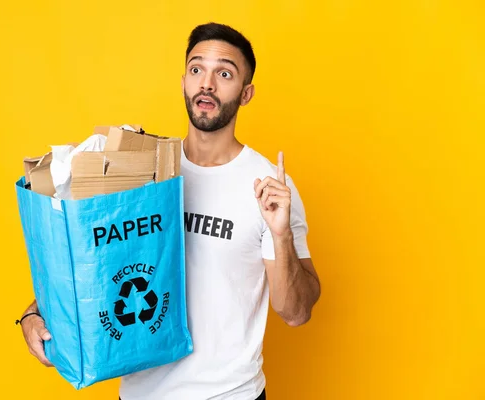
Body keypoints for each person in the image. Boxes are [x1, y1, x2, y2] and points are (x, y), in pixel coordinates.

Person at [19, 22, 321, 400]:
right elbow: (92, 260)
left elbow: (295, 312)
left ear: (246, 94)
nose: (207, 83)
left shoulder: (270, 187)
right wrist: (34, 312)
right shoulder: (144, 171)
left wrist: (281, 234)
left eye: (224, 73)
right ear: (183, 83)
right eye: (197, 70)